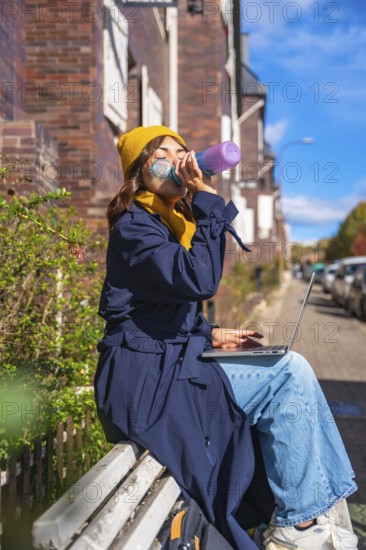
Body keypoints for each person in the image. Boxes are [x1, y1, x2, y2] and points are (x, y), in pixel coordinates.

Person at [94, 125, 358, 550]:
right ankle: (301, 525)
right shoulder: (134, 227)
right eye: (163, 152)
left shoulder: (171, 221)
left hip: (168, 366)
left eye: (183, 151)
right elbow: (197, 281)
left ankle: (311, 516)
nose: (178, 159)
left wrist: (213, 332)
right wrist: (207, 202)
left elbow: (161, 311)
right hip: (144, 383)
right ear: (139, 168)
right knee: (287, 374)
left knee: (291, 367)